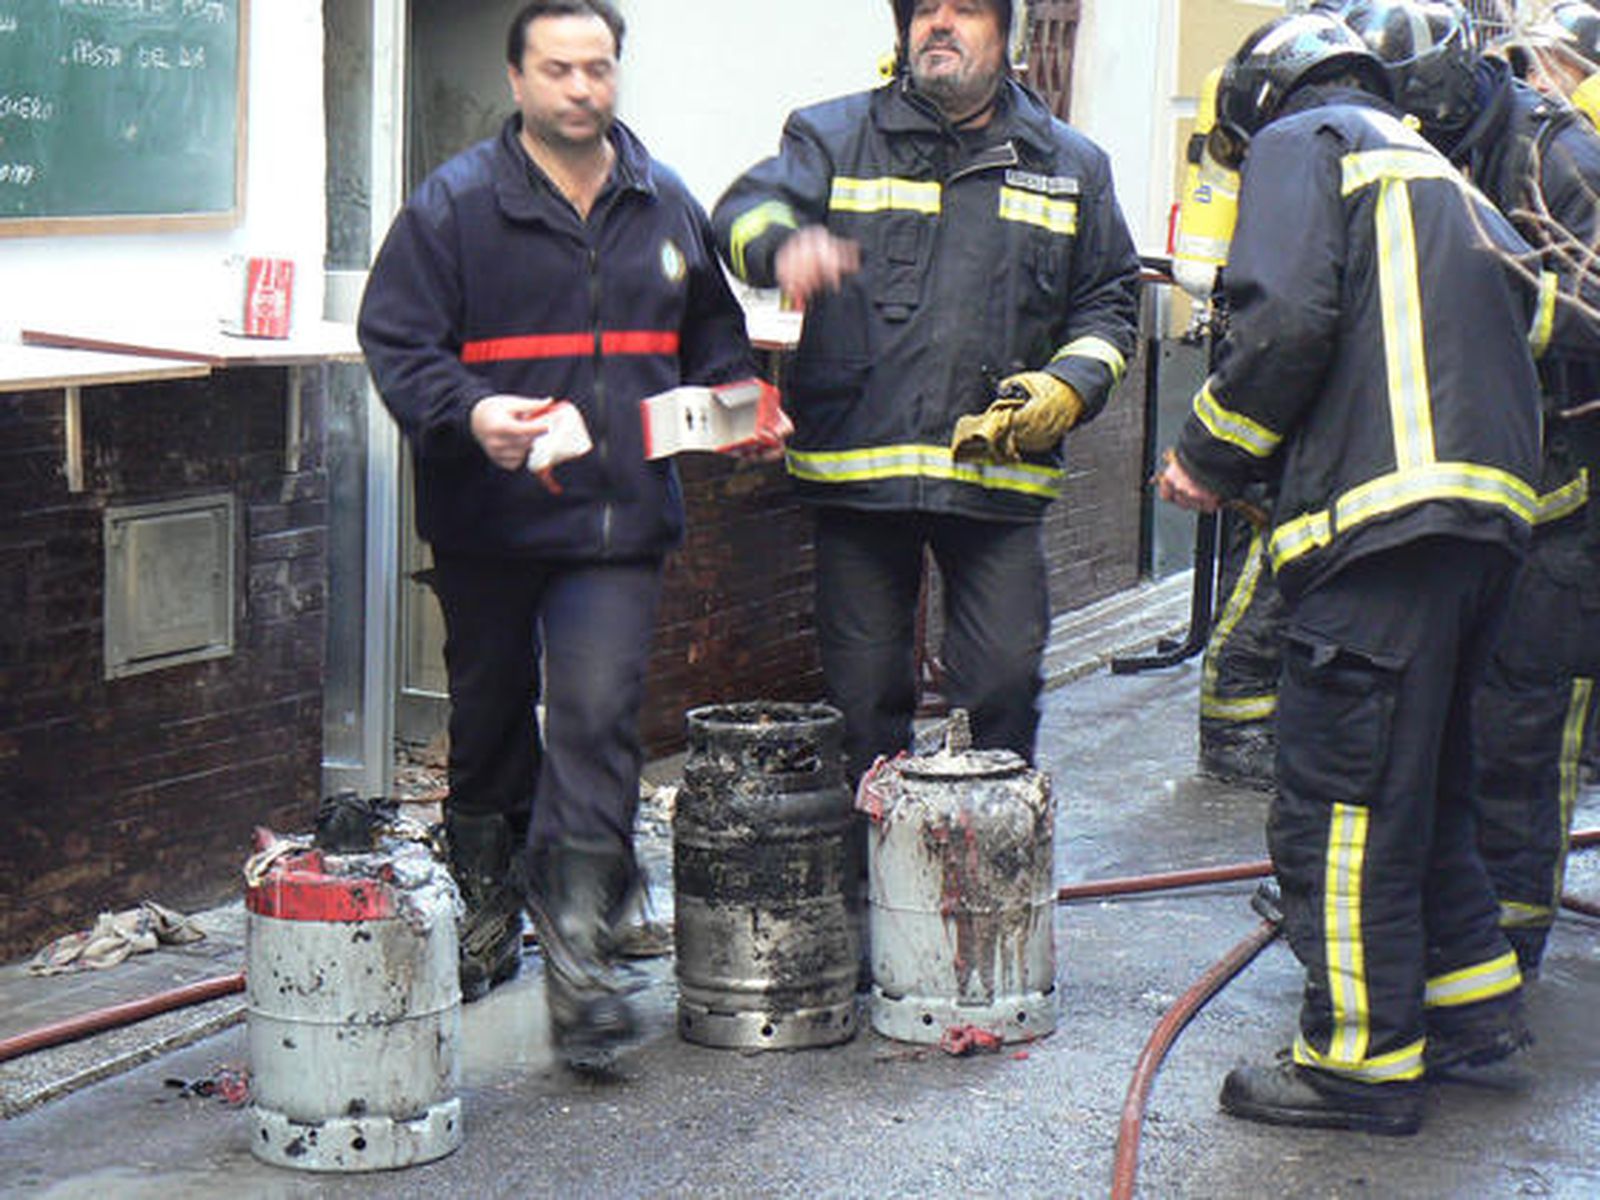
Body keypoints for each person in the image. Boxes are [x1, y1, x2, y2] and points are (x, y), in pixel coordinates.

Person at [1158, 12, 1544, 1135]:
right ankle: (1469, 1010)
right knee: (1427, 788)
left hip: (1381, 530)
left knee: (1340, 804)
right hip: (1483, 532)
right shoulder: (1443, 173)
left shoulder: (1306, 139)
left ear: (1257, 100)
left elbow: (1282, 321)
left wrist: (1203, 454)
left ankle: (1358, 1063)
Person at [358, 0, 762, 1070]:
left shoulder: (664, 201)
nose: (582, 88)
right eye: (558, 69)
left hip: (616, 523)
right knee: (490, 716)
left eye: (598, 67)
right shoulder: (453, 207)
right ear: (517, 79)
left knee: (595, 718)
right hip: (488, 521)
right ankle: (489, 907)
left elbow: (714, 334)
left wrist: (733, 399)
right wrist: (468, 413)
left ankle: (581, 957)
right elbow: (396, 340)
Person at [711, 0, 1140, 781]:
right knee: (864, 702)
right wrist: (781, 245)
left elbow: (1109, 303)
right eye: (924, 10)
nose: (939, 23)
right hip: (859, 472)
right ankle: (872, 851)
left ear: (1007, 30)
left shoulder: (1070, 163)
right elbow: (742, 212)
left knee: (1004, 686)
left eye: (964, 8)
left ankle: (987, 846)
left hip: (997, 473)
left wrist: (1068, 387)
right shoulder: (831, 135)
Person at [1341, 0, 1600, 979]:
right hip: (1430, 486)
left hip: (1556, 503)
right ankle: (1418, 915)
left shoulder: (1558, 161)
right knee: (1414, 717)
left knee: (1517, 730)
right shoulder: (1382, 142)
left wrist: (1482, 299)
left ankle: (1500, 951)